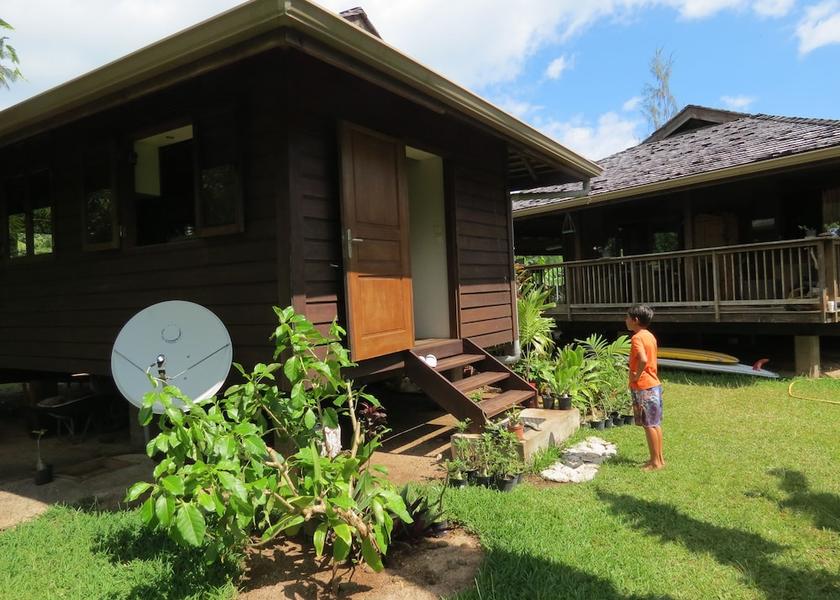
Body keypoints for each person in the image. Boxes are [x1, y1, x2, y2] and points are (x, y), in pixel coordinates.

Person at [625, 304, 664, 471]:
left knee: (649, 425)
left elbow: (642, 359)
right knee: (654, 424)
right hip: (654, 384)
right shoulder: (649, 336)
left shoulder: (637, 338)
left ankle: (655, 462)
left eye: (627, 317)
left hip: (644, 386)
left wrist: (636, 375)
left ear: (635, 320)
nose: (625, 320)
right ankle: (658, 459)